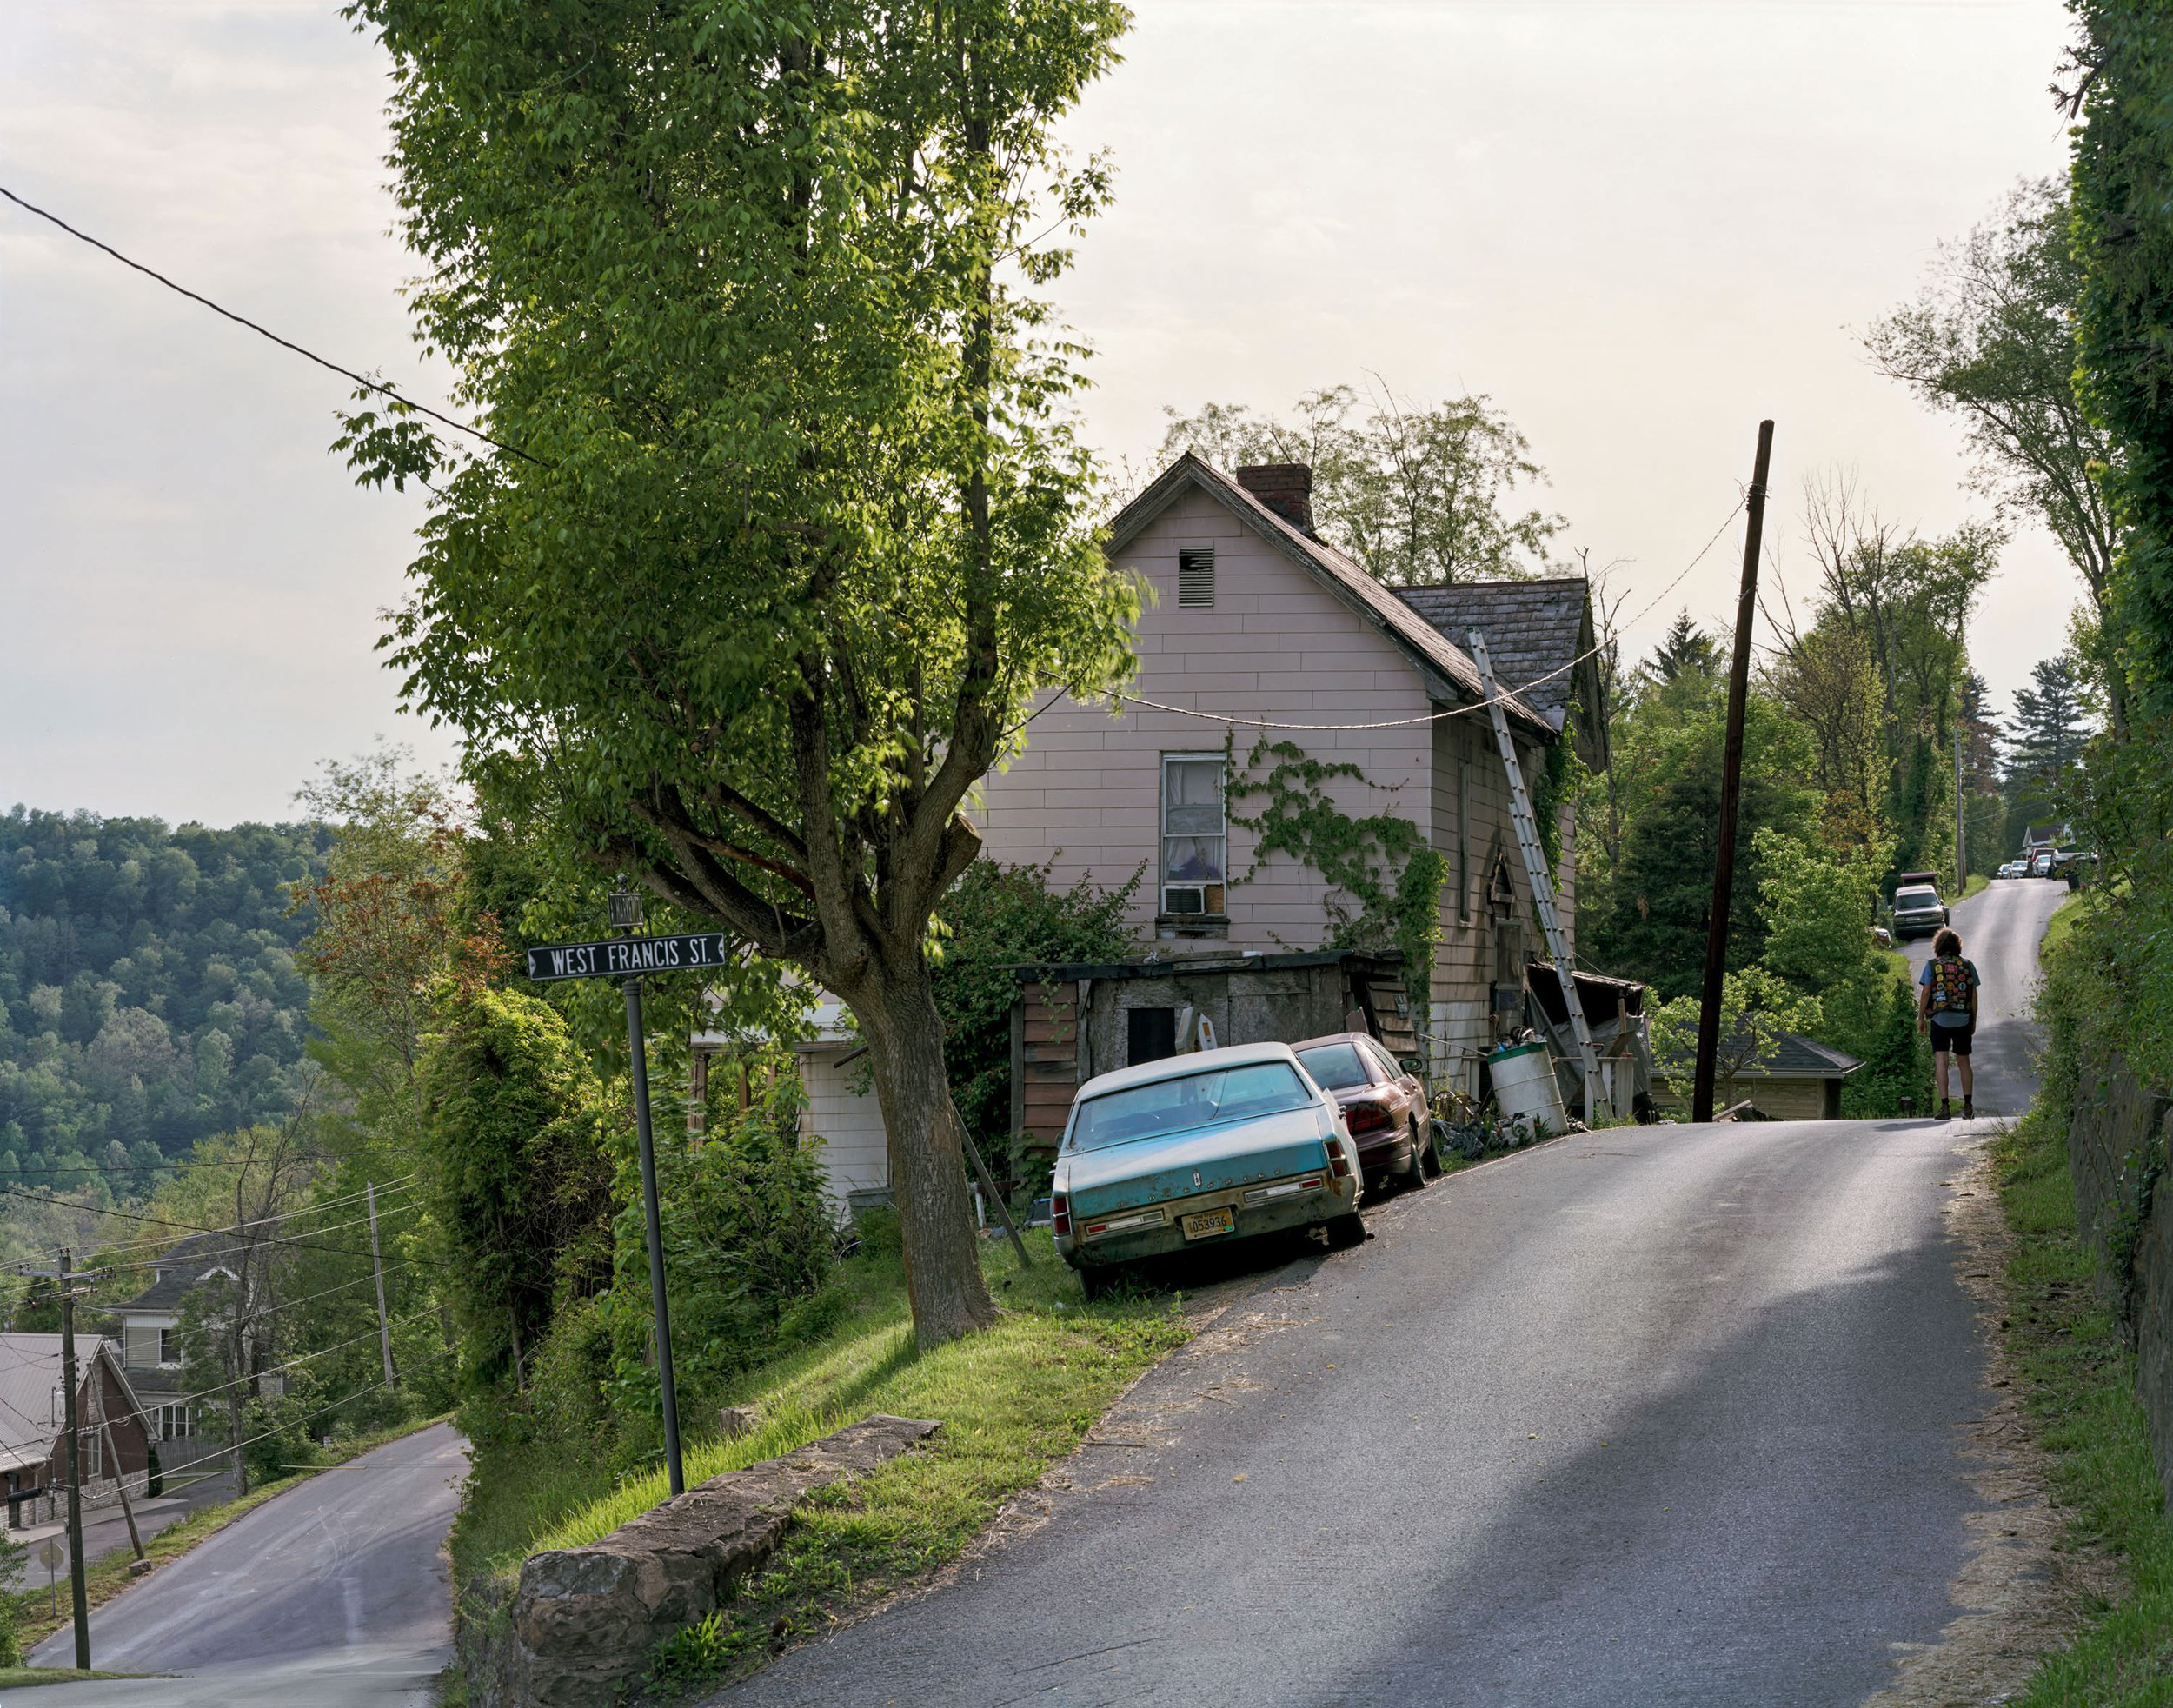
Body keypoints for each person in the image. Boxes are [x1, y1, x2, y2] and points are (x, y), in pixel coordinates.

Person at [1917, 927, 1980, 1120]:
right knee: (1964, 1062)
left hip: (1940, 1018)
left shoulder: (1932, 965)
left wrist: (1921, 1016)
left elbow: (1926, 992)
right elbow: (1973, 995)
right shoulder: (1968, 966)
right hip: (1962, 1018)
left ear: (1938, 945)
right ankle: (1968, 1106)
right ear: (1958, 946)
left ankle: (1945, 1107)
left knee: (1941, 1061)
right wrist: (1973, 1019)